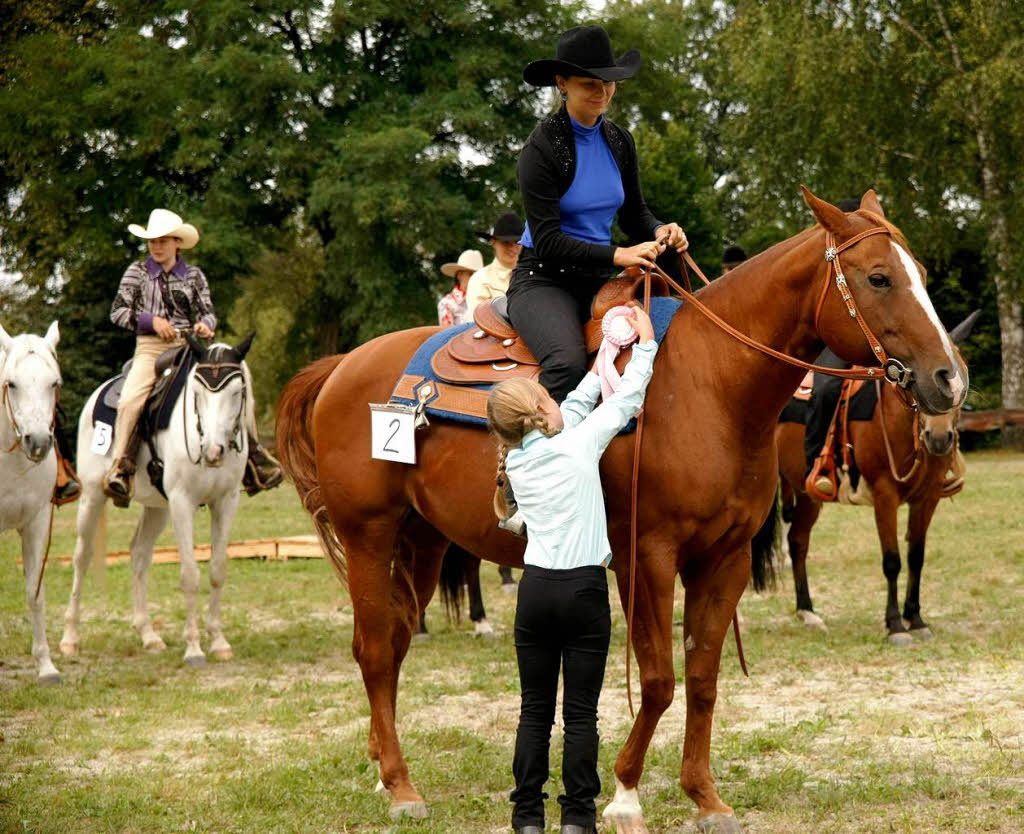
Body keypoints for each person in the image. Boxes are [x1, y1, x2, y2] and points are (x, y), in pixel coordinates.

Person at [488, 304, 657, 834]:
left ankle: (526, 817)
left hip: (535, 592)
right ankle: (579, 818)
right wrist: (644, 344)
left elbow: (577, 404)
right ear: (542, 407)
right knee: (581, 713)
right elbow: (628, 397)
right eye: (547, 399)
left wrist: (603, 352)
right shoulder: (581, 444)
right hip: (584, 591)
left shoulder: (515, 461)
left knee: (533, 710)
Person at [506, 24, 688, 405]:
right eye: (589, 83)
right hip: (543, 280)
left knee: (673, 336)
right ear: (562, 83)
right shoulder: (540, 148)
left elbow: (634, 213)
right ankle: (527, 461)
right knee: (567, 365)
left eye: (608, 82)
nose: (602, 91)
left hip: (598, 279)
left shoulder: (620, 140)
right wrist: (618, 256)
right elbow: (549, 241)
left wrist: (660, 230)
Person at [103, 209, 282, 505]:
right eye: (152, 242)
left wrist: (206, 325)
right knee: (131, 399)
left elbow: (208, 311)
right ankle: (120, 468)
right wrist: (152, 322)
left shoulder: (194, 275)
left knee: (233, 386)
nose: (156, 247)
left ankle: (253, 459)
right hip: (151, 350)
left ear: (176, 243)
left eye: (162, 241)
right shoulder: (137, 272)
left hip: (191, 348)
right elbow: (118, 312)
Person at [465, 212, 525, 316]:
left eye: (517, 242)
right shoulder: (480, 279)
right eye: (506, 242)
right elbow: (478, 320)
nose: (512, 248)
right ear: (493, 242)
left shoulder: (533, 275)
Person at [437, 249, 484, 327]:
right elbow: (448, 335)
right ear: (460, 275)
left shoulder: (485, 300)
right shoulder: (447, 303)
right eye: (471, 274)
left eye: (478, 275)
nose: (476, 278)